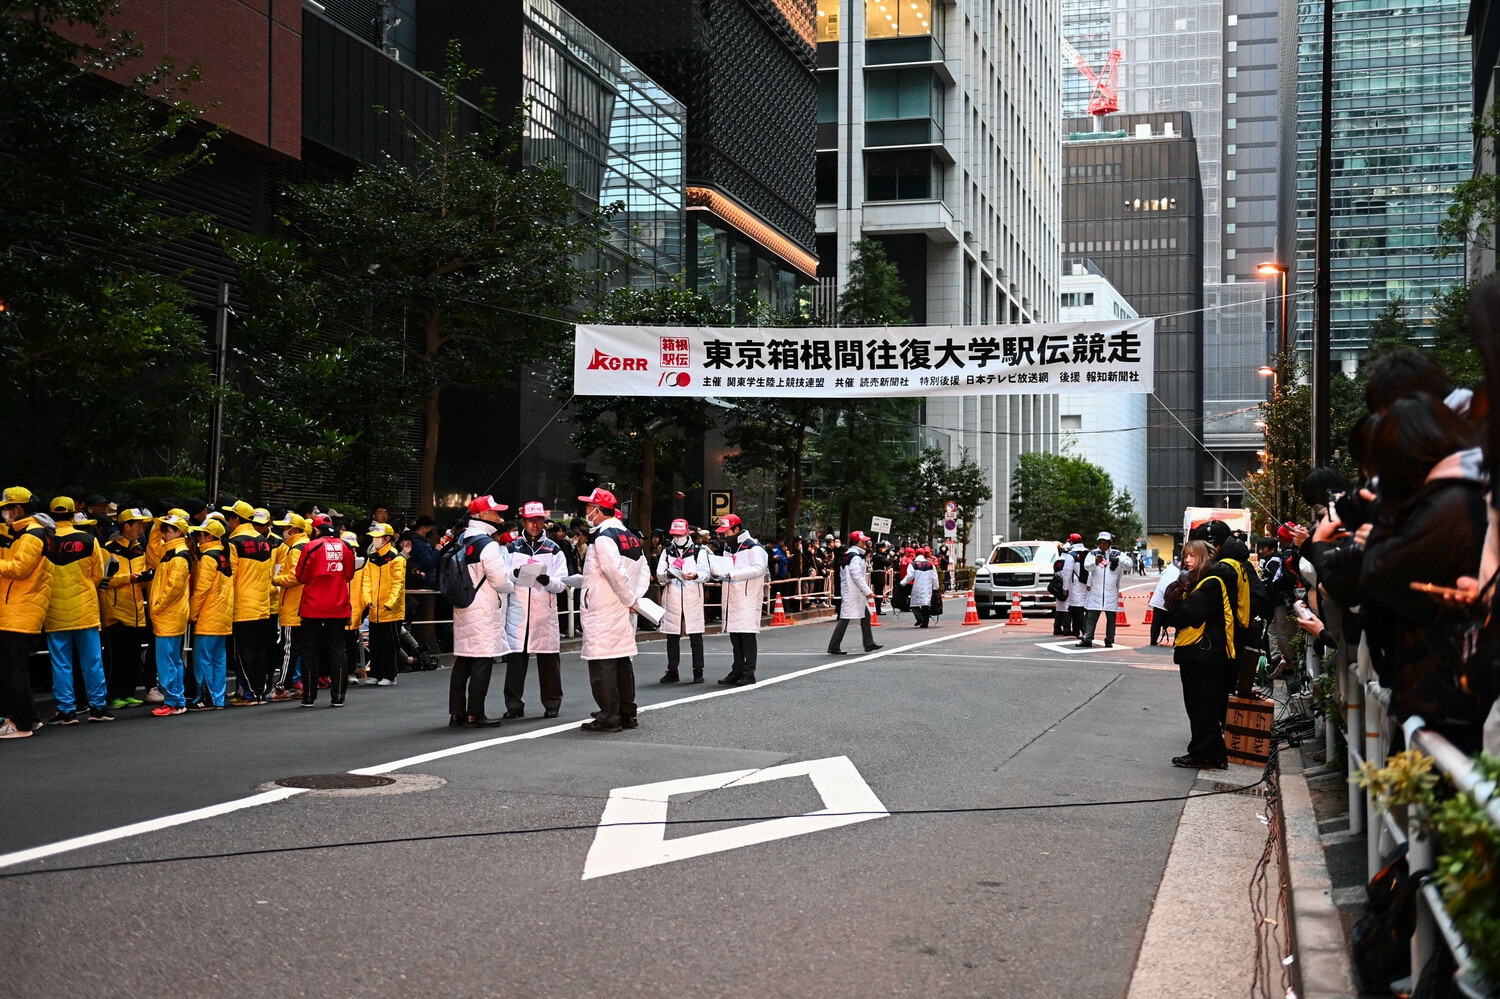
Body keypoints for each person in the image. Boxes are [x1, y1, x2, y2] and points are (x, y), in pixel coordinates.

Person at [577, 488, 649, 732]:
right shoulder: (629, 536)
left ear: (597, 510)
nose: (586, 510)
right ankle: (627, 713)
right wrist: (634, 598)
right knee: (621, 660)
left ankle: (608, 717)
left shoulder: (604, 536)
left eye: (588, 506)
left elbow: (613, 571)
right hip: (621, 606)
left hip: (605, 607)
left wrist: (629, 598)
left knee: (602, 663)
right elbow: (644, 571)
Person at [1161, 540, 1232, 769]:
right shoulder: (1200, 581)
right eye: (1185, 556)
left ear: (1203, 557)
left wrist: (1177, 598)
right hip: (1202, 652)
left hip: (1203, 652)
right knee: (1202, 706)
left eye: (1192, 556)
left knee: (1201, 706)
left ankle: (1203, 753)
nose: (1187, 560)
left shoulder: (1209, 583)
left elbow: (1184, 614)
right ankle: (1213, 753)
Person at [42, 497, 112, 724]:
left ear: (52, 516)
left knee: (61, 663)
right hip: (85, 610)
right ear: (74, 514)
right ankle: (98, 708)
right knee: (92, 660)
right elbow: (98, 575)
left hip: (55, 610)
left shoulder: (44, 541)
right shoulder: (89, 540)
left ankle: (66, 710)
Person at [449, 496, 514, 728]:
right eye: (495, 512)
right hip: (483, 608)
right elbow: (499, 580)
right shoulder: (487, 544)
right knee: (482, 661)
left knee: (463, 661)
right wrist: (512, 583)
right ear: (483, 515)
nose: (499, 516)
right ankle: (475, 713)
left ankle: (456, 713)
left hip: (463, 605)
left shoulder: (462, 539)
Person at [503, 501, 568, 718]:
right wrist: (516, 573)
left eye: (539, 520)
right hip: (518, 611)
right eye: (531, 520)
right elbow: (503, 577)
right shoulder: (512, 547)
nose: (535, 524)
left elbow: (562, 583)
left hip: (544, 612)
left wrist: (547, 580)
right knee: (515, 661)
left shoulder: (554, 549)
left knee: (548, 660)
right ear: (523, 521)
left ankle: (552, 704)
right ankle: (513, 705)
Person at [294, 514, 356, 707]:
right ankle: (338, 697)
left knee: (310, 650)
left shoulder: (311, 546)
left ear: (316, 529)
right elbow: (349, 574)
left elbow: (301, 575)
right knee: (338, 649)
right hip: (337, 605)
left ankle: (309, 696)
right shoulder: (345, 546)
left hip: (312, 605)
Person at [223, 499, 275, 705]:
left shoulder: (234, 543)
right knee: (260, 651)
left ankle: (248, 693)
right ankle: (259, 691)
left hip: (242, 606)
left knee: (243, 653)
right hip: (263, 605)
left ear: (237, 519)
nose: (229, 522)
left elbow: (231, 576)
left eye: (230, 518)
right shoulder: (265, 541)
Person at [100, 506, 153, 708]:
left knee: (132, 655)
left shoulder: (139, 548)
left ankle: (128, 692)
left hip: (137, 610)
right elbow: (103, 580)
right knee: (116, 656)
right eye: (137, 525)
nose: (140, 529)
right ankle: (114, 695)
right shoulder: (108, 549)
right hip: (115, 611)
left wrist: (146, 578)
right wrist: (127, 579)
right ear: (125, 525)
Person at [714, 513, 769, 686]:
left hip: (747, 598)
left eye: (727, 532)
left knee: (746, 636)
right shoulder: (729, 548)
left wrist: (733, 574)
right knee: (735, 637)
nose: (724, 536)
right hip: (732, 597)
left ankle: (748, 672)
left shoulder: (754, 547)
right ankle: (737, 670)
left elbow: (759, 568)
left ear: (737, 529)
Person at [187, 518, 234, 711]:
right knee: (218, 659)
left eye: (201, 534)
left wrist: (192, 612)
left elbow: (201, 590)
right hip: (223, 617)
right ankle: (218, 697)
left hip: (208, 616)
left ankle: (204, 698)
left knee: (203, 659)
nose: (199, 538)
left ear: (209, 536)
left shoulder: (208, 558)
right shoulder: (224, 555)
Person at [147, 514, 193, 716]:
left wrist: (157, 606)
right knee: (172, 659)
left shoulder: (178, 555)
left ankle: (174, 700)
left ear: (179, 532)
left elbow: (174, 587)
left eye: (168, 529)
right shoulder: (173, 552)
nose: (164, 531)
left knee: (167, 660)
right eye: (163, 528)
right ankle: (176, 699)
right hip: (170, 614)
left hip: (168, 614)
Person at [656, 518, 710, 683]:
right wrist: (668, 575)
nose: (677, 537)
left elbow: (705, 573)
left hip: (692, 595)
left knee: (695, 634)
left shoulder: (699, 550)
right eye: (675, 534)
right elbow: (659, 575)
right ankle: (672, 670)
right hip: (672, 596)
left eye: (680, 534)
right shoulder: (667, 551)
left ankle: (698, 670)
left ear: (687, 532)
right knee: (672, 635)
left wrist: (695, 575)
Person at [363, 522, 407, 686]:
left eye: (377, 537)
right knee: (375, 644)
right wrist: (368, 600)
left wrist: (390, 603)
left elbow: (398, 584)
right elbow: (366, 581)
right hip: (374, 609)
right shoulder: (372, 558)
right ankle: (376, 673)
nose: (375, 540)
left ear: (387, 539)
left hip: (391, 611)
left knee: (390, 644)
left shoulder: (396, 558)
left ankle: (390, 675)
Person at [271, 513, 309, 699]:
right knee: (305, 648)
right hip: (306, 604)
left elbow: (295, 576)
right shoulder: (308, 546)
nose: (284, 531)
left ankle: (281, 686)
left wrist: (276, 580)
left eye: (286, 528)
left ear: (293, 529)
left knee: (289, 648)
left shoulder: (295, 549)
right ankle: (306, 685)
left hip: (293, 604)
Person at [828, 530, 881, 654]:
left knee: (864, 614)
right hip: (852, 592)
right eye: (863, 541)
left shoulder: (852, 554)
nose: (865, 543)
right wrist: (867, 590)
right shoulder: (855, 557)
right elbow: (856, 575)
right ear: (857, 542)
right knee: (845, 618)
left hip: (854, 591)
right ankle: (834, 646)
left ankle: (868, 643)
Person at [1079, 531, 1132, 648]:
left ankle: (1109, 639)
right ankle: (1087, 638)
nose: (1102, 545)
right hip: (1095, 592)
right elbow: (1086, 567)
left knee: (1111, 619)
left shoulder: (1117, 554)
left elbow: (1129, 565)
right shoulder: (1093, 554)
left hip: (1111, 592)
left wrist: (1118, 561)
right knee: (1091, 617)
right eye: (1100, 542)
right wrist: (1095, 562)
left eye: (1105, 542)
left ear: (1109, 543)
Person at [902, 549, 940, 627]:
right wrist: (936, 587)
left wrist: (902, 583)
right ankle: (925, 622)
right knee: (925, 604)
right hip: (927, 588)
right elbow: (935, 577)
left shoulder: (913, 564)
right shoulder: (930, 565)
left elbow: (909, 576)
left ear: (915, 554)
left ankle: (919, 618)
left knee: (913, 604)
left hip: (917, 587)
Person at [1148, 558, 1181, 646]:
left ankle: (1153, 640)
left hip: (1160, 597)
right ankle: (1177, 641)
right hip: (1172, 599)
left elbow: (1162, 574)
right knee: (1179, 620)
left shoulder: (1170, 567)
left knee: (1156, 621)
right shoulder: (1185, 572)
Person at [1062, 538, 1090, 638]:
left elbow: (1067, 573)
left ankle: (1083, 631)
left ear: (1072, 542)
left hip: (1075, 585)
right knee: (1084, 608)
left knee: (1076, 609)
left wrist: (1065, 588)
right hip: (1087, 584)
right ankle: (1077, 630)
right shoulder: (1088, 553)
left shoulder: (1071, 555)